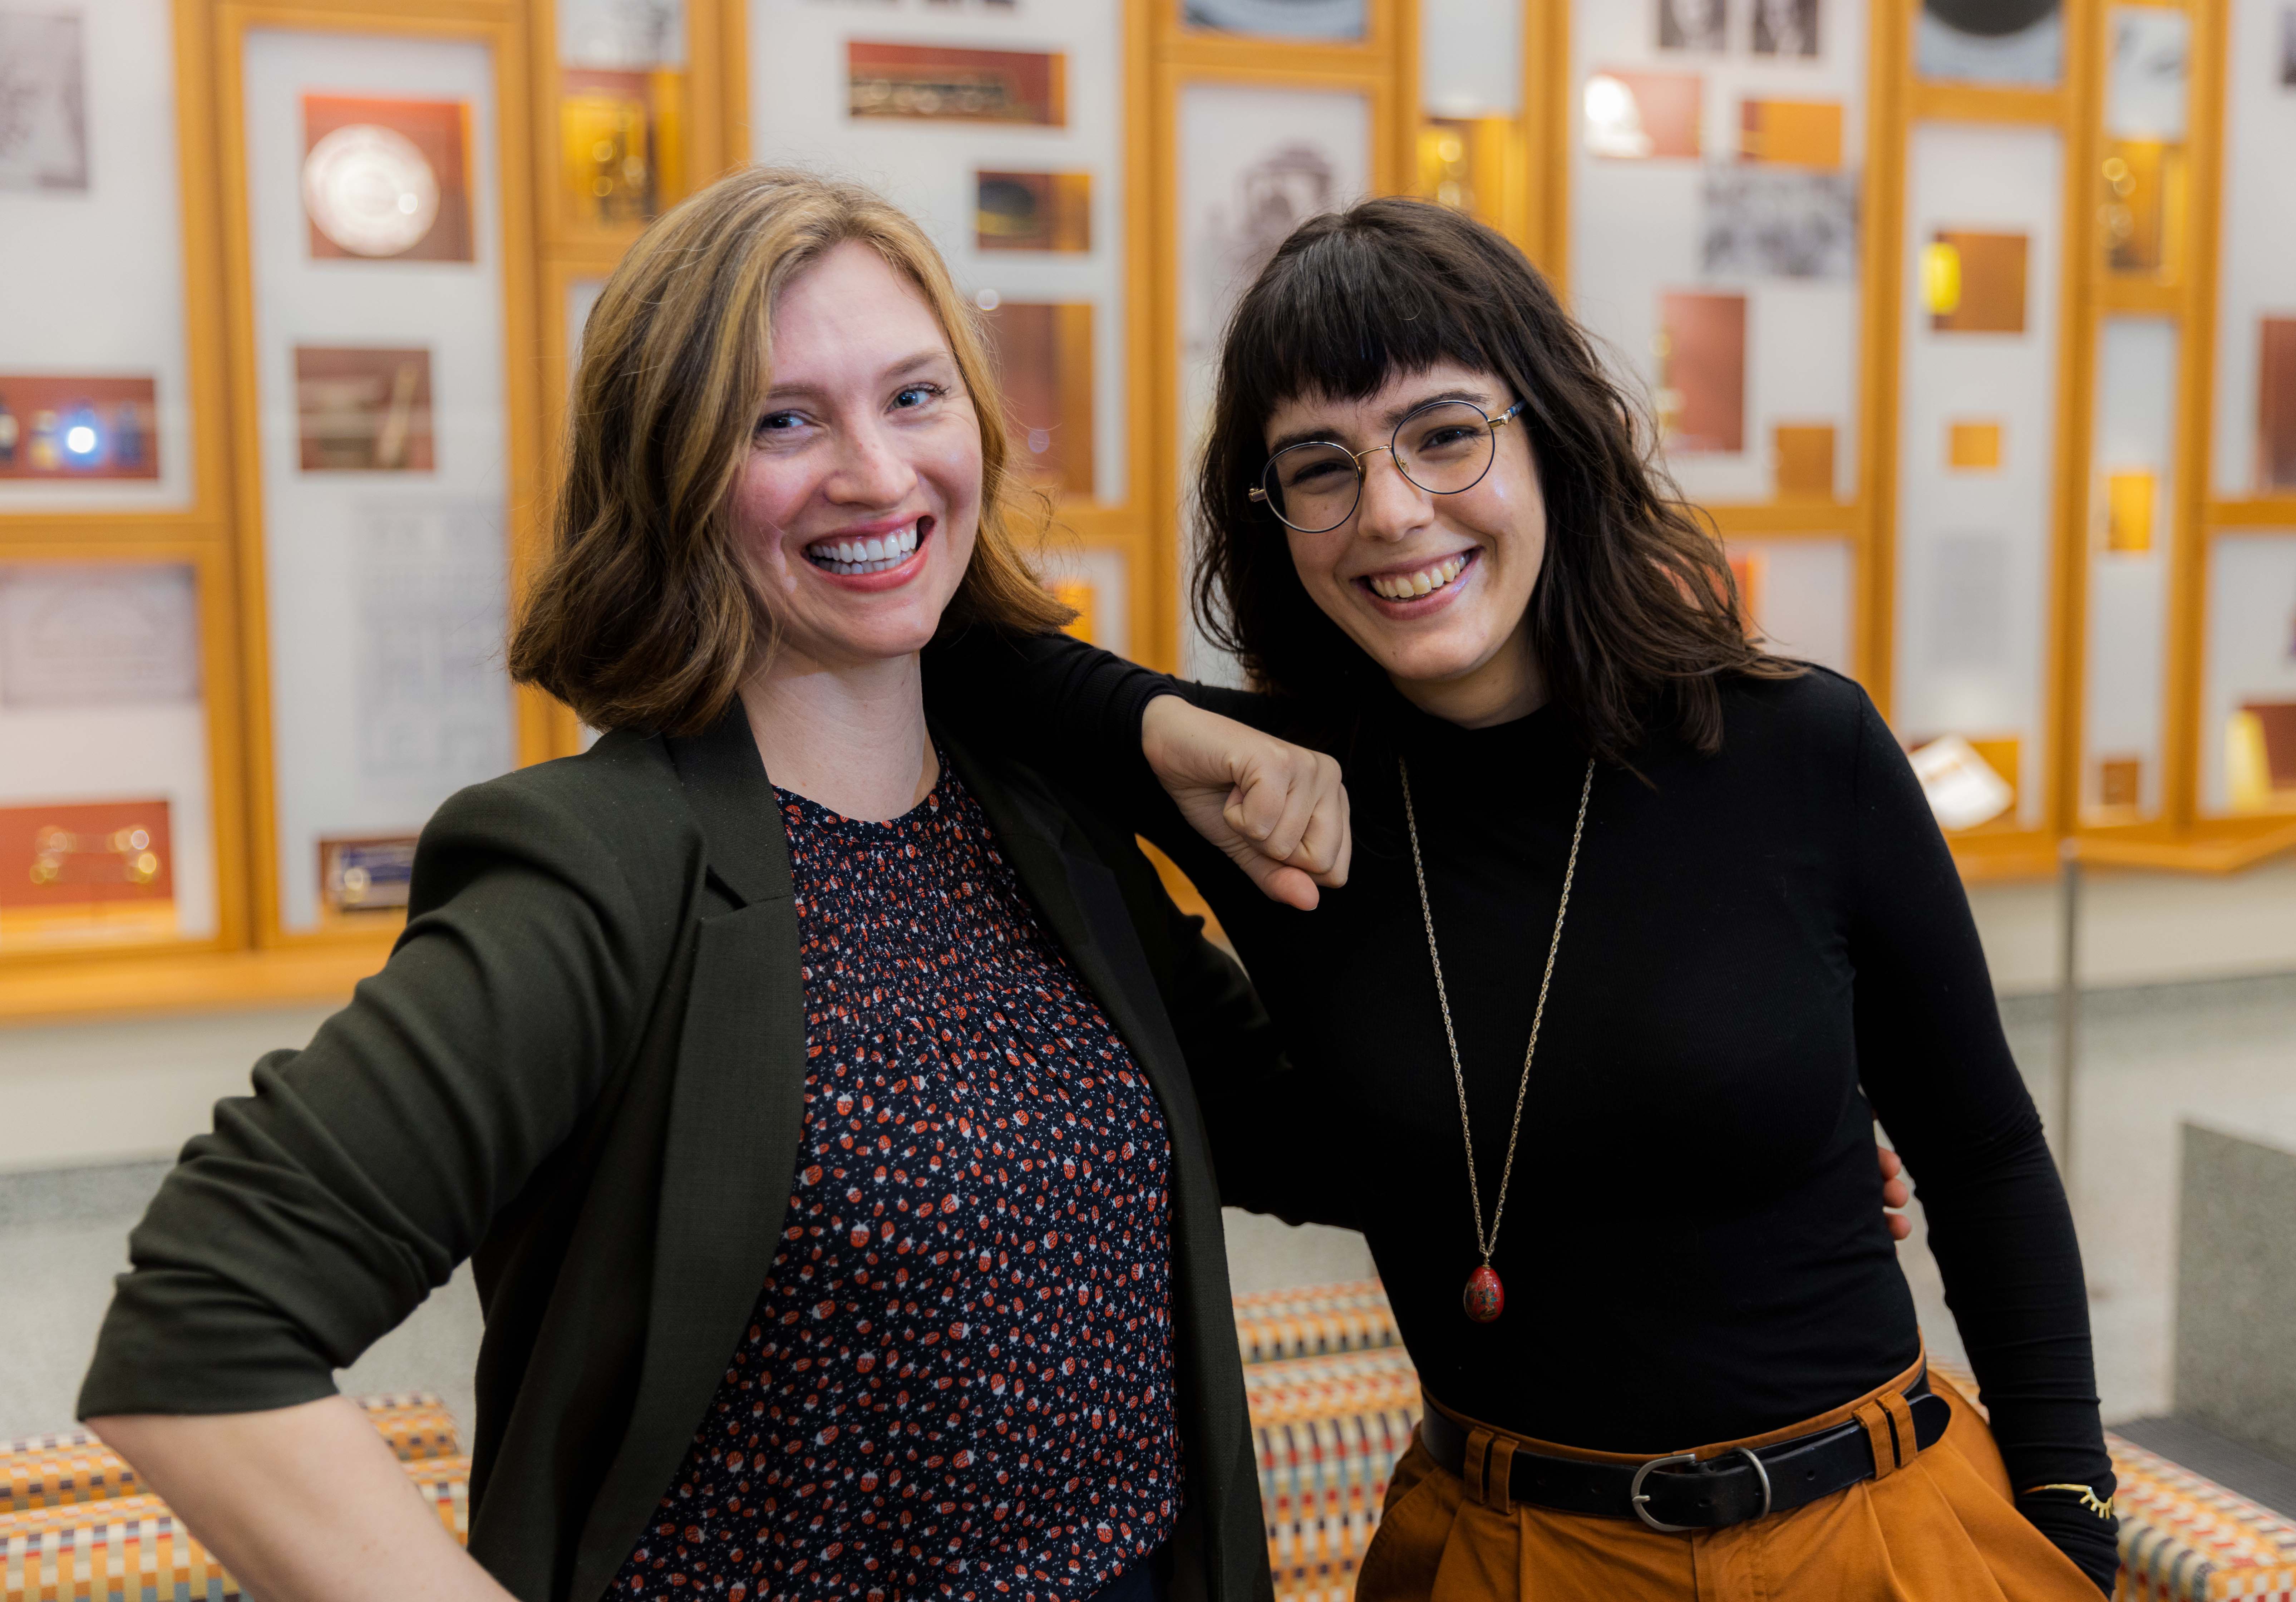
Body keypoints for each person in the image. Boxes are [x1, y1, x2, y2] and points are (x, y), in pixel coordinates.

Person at [76, 168, 1352, 1602]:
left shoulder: (1047, 831)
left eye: (915, 396)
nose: (875, 472)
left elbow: (1330, 1145)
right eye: (783, 420)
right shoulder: (596, 870)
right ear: (673, 474)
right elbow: (202, 1322)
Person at [931, 198, 2122, 1598]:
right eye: (1318, 466)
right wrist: (1161, 726)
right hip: (1511, 1552)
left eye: (1445, 433)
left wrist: (2075, 1523)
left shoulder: (1799, 746)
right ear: (1276, 515)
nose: (1389, 511)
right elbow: (952, 651)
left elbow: (1982, 1154)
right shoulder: (1284, 806)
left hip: (1870, 1532)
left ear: (1549, 432)